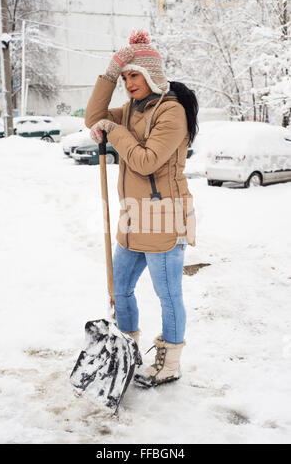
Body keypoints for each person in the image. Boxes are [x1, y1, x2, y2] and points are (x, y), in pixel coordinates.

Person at [85, 29, 198, 388]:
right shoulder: (132, 109)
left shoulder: (172, 111)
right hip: (133, 216)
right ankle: (126, 351)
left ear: (151, 74)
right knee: (120, 287)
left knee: (168, 294)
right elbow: (93, 117)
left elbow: (146, 161)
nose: (128, 83)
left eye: (133, 74)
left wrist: (112, 131)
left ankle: (169, 362)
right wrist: (109, 71)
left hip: (164, 216)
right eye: (124, 76)